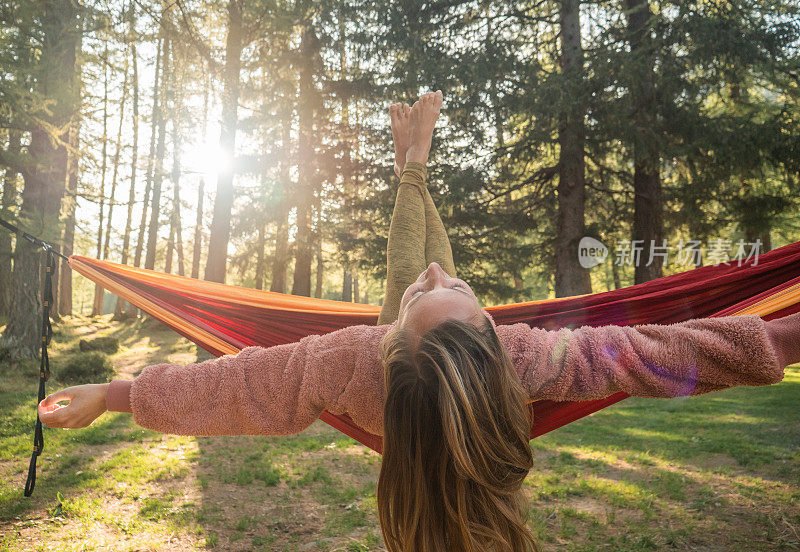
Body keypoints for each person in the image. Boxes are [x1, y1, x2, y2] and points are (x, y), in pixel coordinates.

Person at [39, 90, 800, 552]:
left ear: (389, 336)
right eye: (457, 292)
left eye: (414, 301)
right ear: (489, 333)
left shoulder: (351, 358)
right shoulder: (527, 358)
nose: (436, 275)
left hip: (404, 412)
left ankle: (413, 172)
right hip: (457, 417)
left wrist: (116, 395)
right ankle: (413, 172)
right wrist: (782, 337)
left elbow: (238, 386)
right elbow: (654, 353)